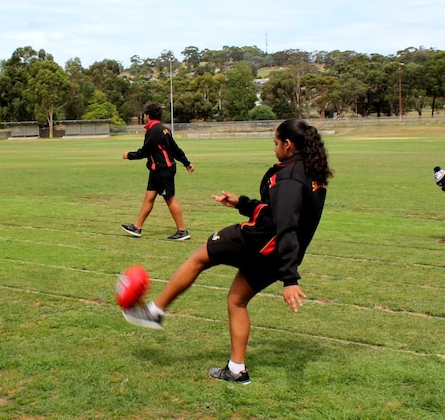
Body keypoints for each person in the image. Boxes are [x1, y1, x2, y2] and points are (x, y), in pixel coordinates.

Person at [122, 118, 332, 383]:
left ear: (288, 145)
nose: (274, 148)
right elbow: (277, 211)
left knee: (198, 257)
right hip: (277, 254)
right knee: (236, 300)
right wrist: (241, 203)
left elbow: (286, 225)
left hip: (258, 240)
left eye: (276, 143)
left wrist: (290, 280)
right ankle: (236, 369)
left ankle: (155, 312)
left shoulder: (289, 176)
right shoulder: (311, 172)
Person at [122, 103, 195, 240]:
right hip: (156, 170)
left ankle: (182, 231)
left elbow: (145, 151)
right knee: (149, 198)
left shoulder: (154, 130)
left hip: (163, 170)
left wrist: (129, 155)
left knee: (170, 199)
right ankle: (137, 227)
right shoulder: (164, 129)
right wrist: (187, 163)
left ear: (147, 115)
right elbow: (175, 149)